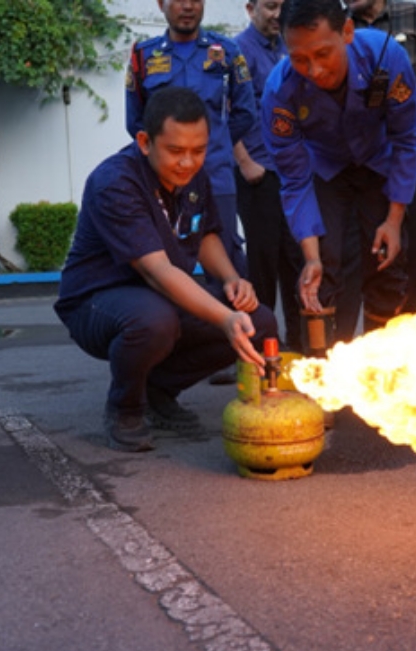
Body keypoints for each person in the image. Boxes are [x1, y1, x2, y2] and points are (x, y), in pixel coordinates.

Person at [55, 86, 278, 453]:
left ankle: (158, 390)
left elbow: (204, 233)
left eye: (199, 151)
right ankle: (126, 409)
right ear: (145, 142)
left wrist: (232, 279)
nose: (188, 162)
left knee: (260, 322)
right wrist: (223, 318)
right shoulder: (115, 182)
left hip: (159, 294)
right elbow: (157, 270)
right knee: (156, 321)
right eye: (176, 151)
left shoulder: (194, 177)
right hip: (96, 302)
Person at [261, 0, 416, 345]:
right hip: (326, 170)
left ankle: (382, 368)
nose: (315, 70)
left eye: (323, 54)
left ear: (347, 32)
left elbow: (408, 139)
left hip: (379, 162)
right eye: (300, 58)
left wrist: (394, 220)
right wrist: (310, 258)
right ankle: (323, 373)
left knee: (386, 262)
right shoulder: (279, 91)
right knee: (323, 269)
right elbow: (294, 179)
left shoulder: (385, 59)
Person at [126, 0, 257, 282]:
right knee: (163, 264)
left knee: (227, 266)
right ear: (161, 4)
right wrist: (170, 154)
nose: (188, 7)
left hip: (216, 179)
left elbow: (246, 113)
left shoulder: (227, 52)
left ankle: (237, 325)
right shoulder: (143, 56)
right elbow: (135, 121)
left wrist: (212, 147)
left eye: (195, 0)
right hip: (163, 183)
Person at [349, 0, 416, 314]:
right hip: (366, 156)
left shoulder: (415, 17)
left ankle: (412, 314)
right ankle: (380, 317)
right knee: (374, 240)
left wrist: (414, 121)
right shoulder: (342, 25)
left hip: (412, 144)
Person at [234, 0, 305, 352]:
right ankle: (261, 350)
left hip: (291, 173)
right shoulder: (237, 52)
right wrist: (245, 162)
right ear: (251, 9)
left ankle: (297, 346)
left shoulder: (288, 48)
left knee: (296, 259)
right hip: (258, 174)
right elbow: (224, 111)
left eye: (283, 7)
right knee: (262, 266)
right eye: (271, 6)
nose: (278, 14)